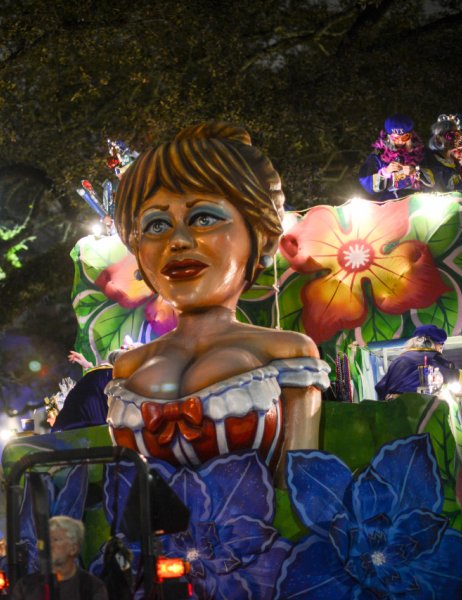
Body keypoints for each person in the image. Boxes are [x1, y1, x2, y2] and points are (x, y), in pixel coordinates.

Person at [107, 122, 329, 478]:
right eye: (156, 225)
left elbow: (301, 481)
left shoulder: (287, 351)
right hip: (146, 535)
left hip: (259, 534)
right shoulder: (128, 366)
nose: (177, 241)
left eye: (203, 218)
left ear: (265, 238)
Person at [374, 324, 462, 400]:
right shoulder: (433, 358)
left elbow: (380, 388)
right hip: (418, 415)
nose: (441, 350)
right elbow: (459, 378)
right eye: (440, 346)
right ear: (429, 343)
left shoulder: (397, 361)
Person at [9, 516, 108, 600]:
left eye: (56, 540)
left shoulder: (92, 587)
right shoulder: (25, 586)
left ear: (74, 548)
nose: (49, 545)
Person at [358, 114, 428, 200]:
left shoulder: (419, 151)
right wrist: (385, 172)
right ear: (389, 137)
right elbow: (366, 182)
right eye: (395, 138)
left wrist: (415, 171)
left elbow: (433, 176)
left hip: (417, 199)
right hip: (389, 202)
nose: (400, 141)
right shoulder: (378, 155)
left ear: (411, 136)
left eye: (405, 137)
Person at [422, 113, 462, 194]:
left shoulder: (456, 164)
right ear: (438, 138)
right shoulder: (428, 158)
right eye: (450, 135)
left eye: (457, 135)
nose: (455, 139)